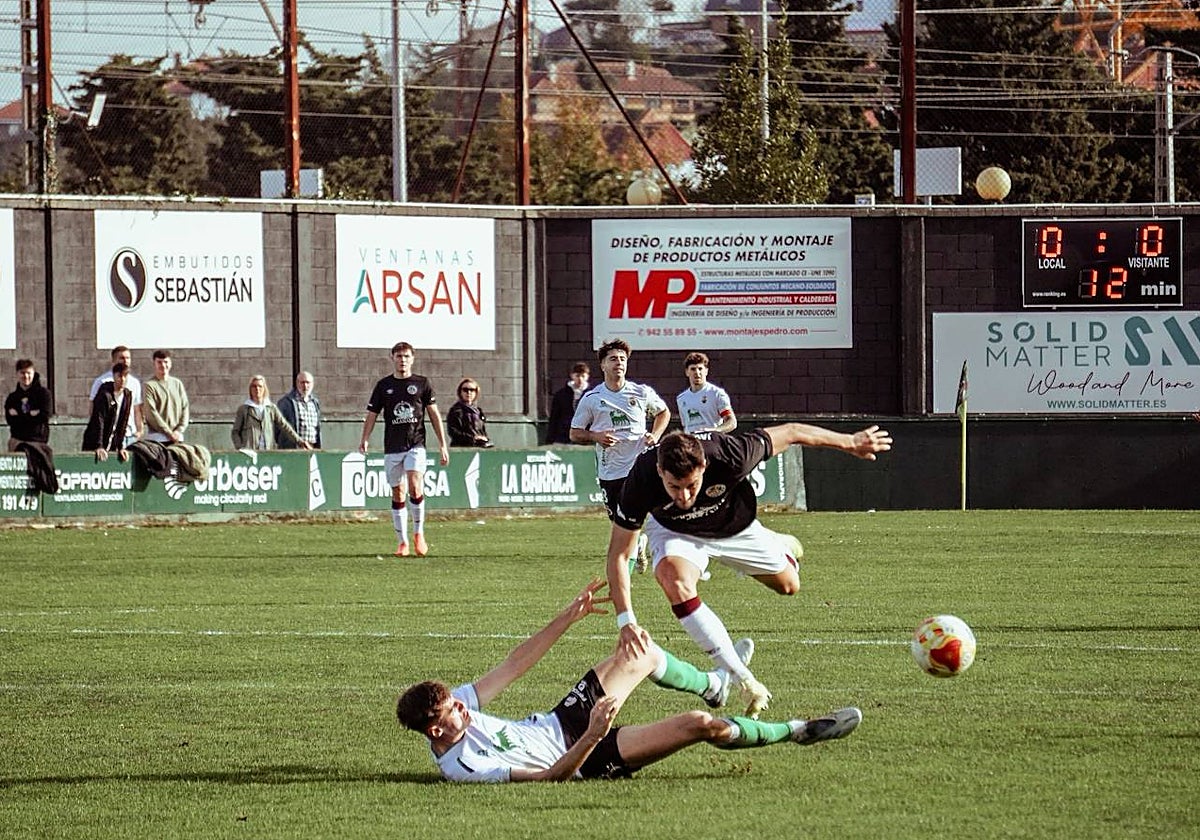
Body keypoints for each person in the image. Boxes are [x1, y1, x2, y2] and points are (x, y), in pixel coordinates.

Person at [395, 579, 861, 783]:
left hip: (560, 722)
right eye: (454, 709)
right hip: (582, 758)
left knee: (639, 650)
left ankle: (714, 684)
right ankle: (797, 731)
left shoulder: (456, 708)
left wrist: (568, 617)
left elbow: (514, 665)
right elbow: (549, 778)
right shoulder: (464, 767)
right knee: (700, 725)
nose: (463, 704)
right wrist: (594, 735)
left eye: (457, 700)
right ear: (436, 729)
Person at [604, 423, 893, 718]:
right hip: (676, 532)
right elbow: (619, 554)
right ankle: (742, 679)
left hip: (733, 526)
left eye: (692, 485)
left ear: (704, 466)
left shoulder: (730, 454)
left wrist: (849, 441)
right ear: (660, 472)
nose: (685, 496)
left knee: (789, 586)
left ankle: (778, 545)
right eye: (674, 487)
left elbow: (792, 432)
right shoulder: (641, 478)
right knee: (672, 579)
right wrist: (626, 622)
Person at [359, 341, 450, 558]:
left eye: (406, 356)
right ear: (392, 358)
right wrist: (365, 439)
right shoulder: (384, 386)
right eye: (399, 356)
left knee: (415, 484)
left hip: (415, 444)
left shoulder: (422, 383)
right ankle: (402, 542)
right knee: (398, 491)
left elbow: (434, 414)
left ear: (412, 359)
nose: (403, 360)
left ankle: (419, 533)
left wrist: (442, 444)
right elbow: (372, 414)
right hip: (392, 446)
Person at [569, 340, 669, 523]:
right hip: (611, 470)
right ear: (603, 365)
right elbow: (574, 433)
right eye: (613, 359)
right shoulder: (592, 398)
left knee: (655, 515)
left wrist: (655, 435)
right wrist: (595, 436)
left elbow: (663, 412)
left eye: (623, 359)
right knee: (618, 522)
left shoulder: (641, 392)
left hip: (640, 465)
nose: (619, 363)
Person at [231, 375, 312, 451]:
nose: (257, 389)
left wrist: (300, 441)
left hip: (268, 450)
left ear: (264, 389)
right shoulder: (244, 409)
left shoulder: (271, 408)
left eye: (260, 386)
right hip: (250, 451)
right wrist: (240, 448)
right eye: (254, 386)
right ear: (250, 389)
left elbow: (285, 426)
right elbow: (235, 432)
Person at [89, 345, 143, 446]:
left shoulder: (135, 383)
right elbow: (94, 410)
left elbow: (137, 409)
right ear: (113, 360)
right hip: (110, 436)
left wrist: (140, 430)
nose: (125, 361)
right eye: (122, 358)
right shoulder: (102, 382)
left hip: (131, 435)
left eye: (128, 358)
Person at [82, 361, 134, 461]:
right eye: (119, 376)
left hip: (112, 443)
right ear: (114, 376)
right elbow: (99, 420)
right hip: (94, 443)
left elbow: (123, 422)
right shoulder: (104, 394)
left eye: (125, 376)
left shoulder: (127, 395)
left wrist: (121, 447)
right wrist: (99, 446)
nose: (122, 379)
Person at [676, 352, 736, 433]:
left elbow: (732, 422)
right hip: (691, 440)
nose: (697, 372)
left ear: (706, 371)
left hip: (711, 439)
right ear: (687, 372)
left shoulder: (716, 393)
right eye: (693, 369)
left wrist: (715, 430)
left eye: (700, 369)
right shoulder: (681, 398)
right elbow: (685, 426)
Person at [142, 350, 189, 444]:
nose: (163, 365)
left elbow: (185, 408)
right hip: (158, 439)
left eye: (166, 362)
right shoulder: (149, 385)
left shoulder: (177, 384)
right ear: (154, 364)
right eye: (159, 362)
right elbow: (151, 413)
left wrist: (179, 430)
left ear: (170, 363)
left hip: (177, 438)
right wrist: (168, 433)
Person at [5, 358, 53, 450]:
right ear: (17, 374)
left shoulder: (44, 394)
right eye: (22, 373)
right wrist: (31, 415)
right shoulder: (12, 398)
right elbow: (10, 420)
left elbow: (46, 415)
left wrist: (19, 415)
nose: (26, 376)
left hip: (37, 442)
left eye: (28, 373)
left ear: (33, 373)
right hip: (17, 441)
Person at [546, 362, 590, 444]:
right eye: (577, 376)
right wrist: (550, 439)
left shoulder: (593, 395)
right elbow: (554, 418)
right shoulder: (561, 395)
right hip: (564, 437)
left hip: (586, 437)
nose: (580, 379)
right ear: (572, 376)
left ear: (587, 376)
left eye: (583, 376)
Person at [276, 371, 322, 449]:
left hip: (311, 447)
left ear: (312, 384)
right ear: (297, 383)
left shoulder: (315, 403)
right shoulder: (286, 402)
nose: (305, 386)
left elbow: (317, 428)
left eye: (308, 382)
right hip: (294, 449)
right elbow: (277, 427)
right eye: (302, 382)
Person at [446, 378, 493, 448]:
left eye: (472, 390)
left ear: (476, 392)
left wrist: (485, 439)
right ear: (460, 392)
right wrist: (473, 438)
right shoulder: (455, 410)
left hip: (479, 447)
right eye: (465, 390)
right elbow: (453, 432)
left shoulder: (478, 411)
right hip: (461, 447)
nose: (468, 392)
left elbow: (482, 431)